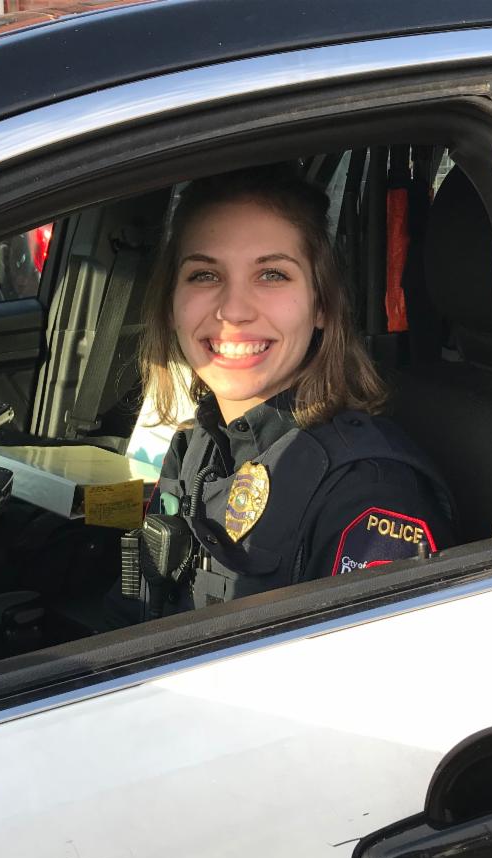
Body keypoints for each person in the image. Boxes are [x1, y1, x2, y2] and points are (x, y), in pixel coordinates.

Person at [118, 164, 455, 622]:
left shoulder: (369, 494)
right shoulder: (196, 446)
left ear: (321, 304)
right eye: (204, 275)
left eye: (272, 274)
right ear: (171, 300)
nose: (233, 311)